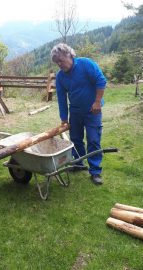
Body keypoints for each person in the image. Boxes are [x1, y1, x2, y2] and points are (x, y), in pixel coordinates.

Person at [51, 43, 107, 185]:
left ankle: (95, 171)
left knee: (93, 139)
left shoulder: (86, 64)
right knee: (76, 139)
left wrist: (97, 102)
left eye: (61, 60)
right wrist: (64, 119)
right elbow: (62, 98)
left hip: (92, 111)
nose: (59, 64)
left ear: (70, 55)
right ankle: (79, 163)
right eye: (57, 62)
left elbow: (101, 81)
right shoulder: (60, 77)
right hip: (75, 112)